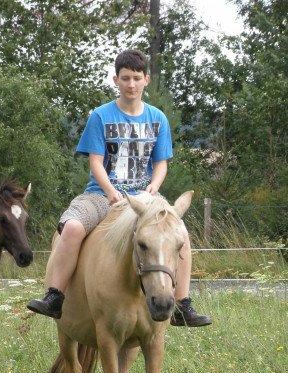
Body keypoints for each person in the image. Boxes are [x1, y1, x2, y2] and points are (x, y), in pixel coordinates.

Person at [27, 49, 211, 328]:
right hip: (101, 194)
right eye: (125, 78)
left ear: (146, 80)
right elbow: (96, 163)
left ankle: (182, 304)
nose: (132, 84)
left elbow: (161, 163)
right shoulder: (100, 117)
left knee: (181, 233)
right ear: (116, 80)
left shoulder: (157, 118)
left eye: (137, 78)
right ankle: (55, 295)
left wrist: (154, 187)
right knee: (74, 227)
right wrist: (111, 192)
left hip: (145, 197)